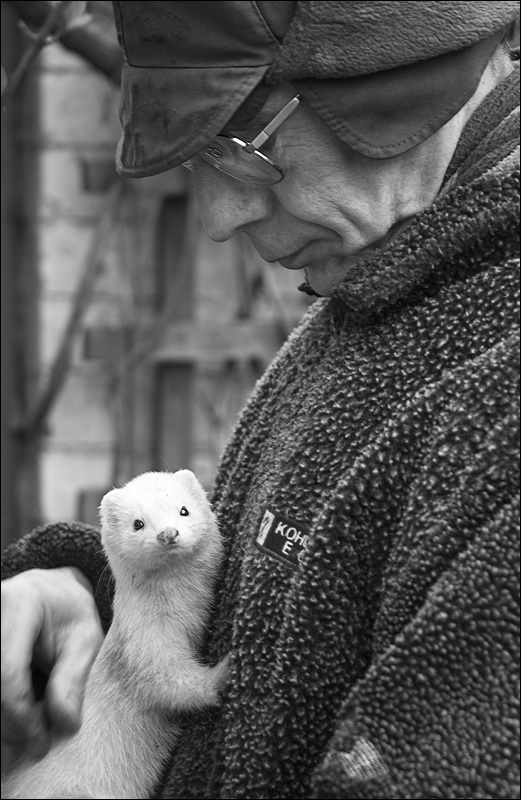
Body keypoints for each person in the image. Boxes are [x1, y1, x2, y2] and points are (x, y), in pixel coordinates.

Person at [2, 2, 519, 797]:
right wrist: (102, 599)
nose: (216, 216)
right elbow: (292, 619)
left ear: (390, 79)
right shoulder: (376, 298)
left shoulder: (495, 388)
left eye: (239, 149)